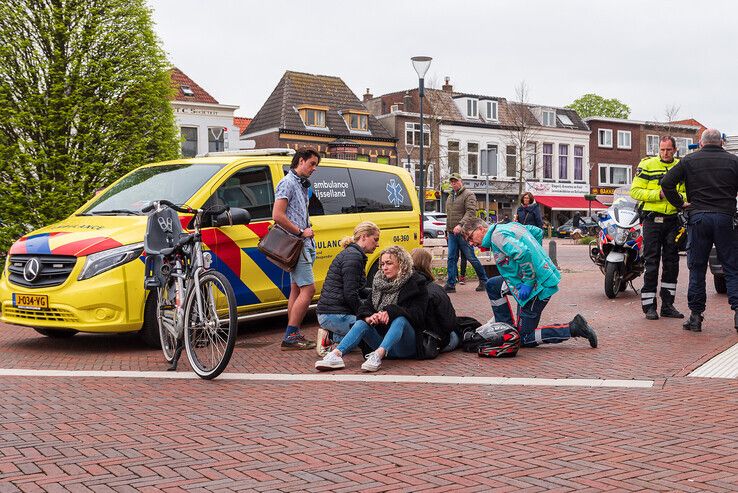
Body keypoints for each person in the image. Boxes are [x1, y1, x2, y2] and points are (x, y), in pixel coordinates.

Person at [462, 217, 598, 349]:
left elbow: (522, 253)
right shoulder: (508, 226)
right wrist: (536, 256)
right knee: (493, 285)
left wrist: (528, 280)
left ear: (480, 229)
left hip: (537, 287)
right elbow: (537, 232)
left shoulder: (497, 236)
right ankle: (506, 328)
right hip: (533, 281)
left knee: (524, 339)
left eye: (470, 237)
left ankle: (573, 328)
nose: (470, 243)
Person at [661, 128, 738, 332]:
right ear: (721, 143)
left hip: (698, 218)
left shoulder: (689, 160)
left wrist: (680, 204)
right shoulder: (733, 161)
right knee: (731, 268)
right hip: (725, 218)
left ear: (701, 143)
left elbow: (667, 183)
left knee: (697, 269)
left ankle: (695, 317)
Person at [315, 246, 428, 372]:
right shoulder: (379, 282)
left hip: (405, 345)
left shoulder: (416, 283)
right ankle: (336, 355)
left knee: (400, 320)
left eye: (389, 263)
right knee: (362, 322)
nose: (384, 268)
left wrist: (391, 312)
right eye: (382, 264)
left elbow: (418, 316)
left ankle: (377, 356)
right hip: (380, 340)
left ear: (402, 264)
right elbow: (366, 307)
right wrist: (370, 316)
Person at [630, 136, 686, 321]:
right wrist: (659, 194)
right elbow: (635, 191)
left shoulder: (682, 166)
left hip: (673, 221)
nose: (665, 153)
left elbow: (687, 193)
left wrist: (676, 195)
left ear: (675, 150)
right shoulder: (647, 165)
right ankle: (649, 307)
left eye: (669, 150)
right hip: (652, 220)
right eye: (662, 150)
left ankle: (668, 305)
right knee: (651, 262)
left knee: (672, 263)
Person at [272, 148, 320, 350]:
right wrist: (301, 232)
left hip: (302, 244)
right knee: (309, 289)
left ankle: (293, 332)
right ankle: (291, 335)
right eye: (312, 164)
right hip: (296, 243)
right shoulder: (288, 183)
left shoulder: (299, 184)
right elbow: (278, 215)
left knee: (296, 288)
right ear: (300, 161)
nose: (314, 169)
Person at [315, 222, 381, 356]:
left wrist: (378, 293)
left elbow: (359, 289)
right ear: (363, 237)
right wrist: (364, 315)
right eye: (375, 239)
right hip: (334, 314)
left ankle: (335, 336)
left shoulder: (354, 254)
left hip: (331, 312)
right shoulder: (353, 257)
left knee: (367, 331)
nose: (378, 244)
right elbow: (350, 294)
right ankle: (330, 336)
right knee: (371, 330)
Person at [445, 173, 488, 293]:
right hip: (452, 233)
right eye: (452, 182)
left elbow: (470, 212)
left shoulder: (468, 195)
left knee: (471, 257)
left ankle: (484, 281)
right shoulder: (450, 196)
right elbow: (449, 214)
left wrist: (460, 225)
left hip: (464, 233)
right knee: (451, 258)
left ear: (461, 181)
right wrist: (447, 229)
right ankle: (451, 284)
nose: (453, 184)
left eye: (455, 181)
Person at [411, 248, 459, 352]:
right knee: (455, 334)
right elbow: (449, 323)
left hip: (416, 338)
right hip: (436, 340)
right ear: (427, 265)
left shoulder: (406, 287)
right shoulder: (435, 289)